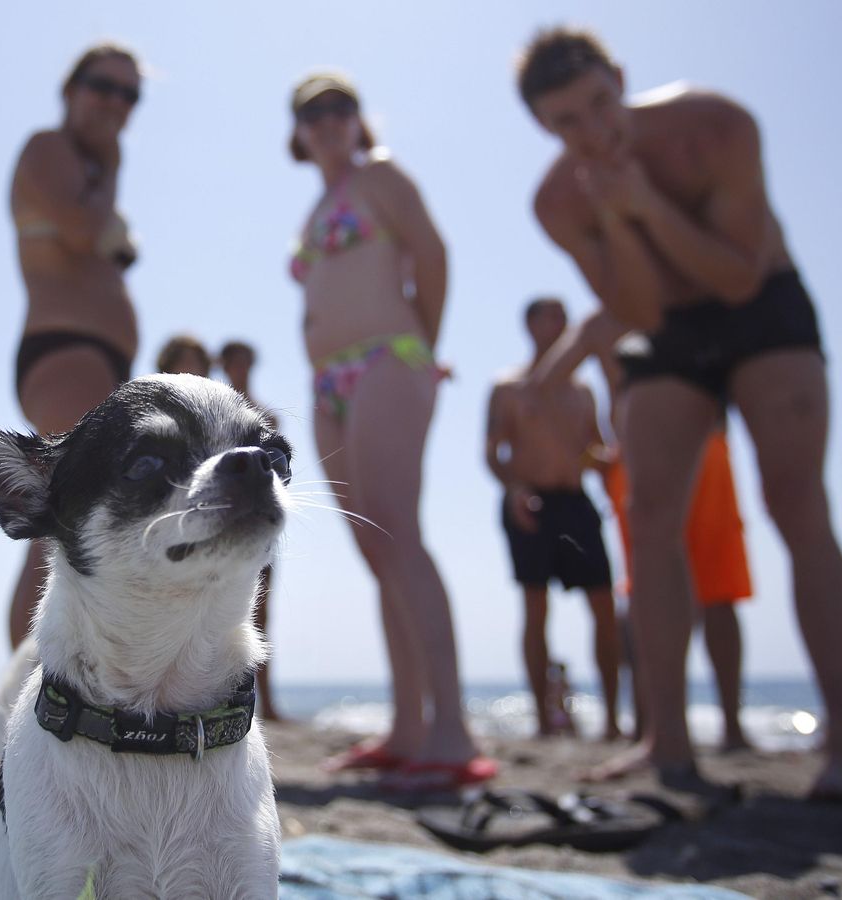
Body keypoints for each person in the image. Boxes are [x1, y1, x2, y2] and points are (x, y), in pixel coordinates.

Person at [517, 27, 842, 800]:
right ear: (543, 128)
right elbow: (641, 309)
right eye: (566, 123)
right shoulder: (557, 201)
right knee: (649, 521)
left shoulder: (717, 126)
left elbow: (738, 276)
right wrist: (619, 218)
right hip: (668, 328)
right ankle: (668, 743)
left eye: (599, 104)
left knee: (796, 503)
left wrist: (644, 202)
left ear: (620, 79)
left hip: (762, 307)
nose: (593, 131)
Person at [288, 71, 493, 788]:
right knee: (377, 550)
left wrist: (423, 347)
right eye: (312, 110)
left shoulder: (380, 175)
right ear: (297, 131)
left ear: (359, 118)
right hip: (330, 380)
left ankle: (453, 730)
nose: (327, 119)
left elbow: (432, 254)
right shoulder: (318, 205)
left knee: (400, 532)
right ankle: (408, 727)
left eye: (340, 106)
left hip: (388, 359)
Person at [530, 310, 753, 752]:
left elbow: (544, 387)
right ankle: (666, 727)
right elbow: (543, 387)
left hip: (684, 452)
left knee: (705, 591)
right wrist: (591, 453)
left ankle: (695, 727)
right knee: (665, 590)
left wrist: (591, 453)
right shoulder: (618, 317)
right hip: (652, 455)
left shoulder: (618, 317)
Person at [6, 42, 143, 649]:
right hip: (65, 351)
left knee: (86, 521)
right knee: (62, 521)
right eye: (103, 86)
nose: (116, 102)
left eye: (130, 94)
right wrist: (112, 165)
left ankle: (52, 678)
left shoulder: (85, 169)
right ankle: (31, 685)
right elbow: (84, 231)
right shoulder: (47, 148)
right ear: (70, 89)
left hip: (97, 358)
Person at [485, 298, 620, 741]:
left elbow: (598, 450)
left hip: (576, 502)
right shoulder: (509, 387)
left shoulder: (582, 391)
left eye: (564, 317)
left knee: (604, 606)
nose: (560, 325)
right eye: (551, 316)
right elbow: (493, 452)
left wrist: (610, 462)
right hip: (529, 503)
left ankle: (613, 720)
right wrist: (515, 489)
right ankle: (543, 720)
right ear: (529, 324)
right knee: (535, 607)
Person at [220, 340, 283, 722]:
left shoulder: (265, 416)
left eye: (246, 361)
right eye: (235, 361)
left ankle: (267, 704)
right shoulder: (212, 412)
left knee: (260, 614)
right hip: (219, 525)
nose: (241, 367)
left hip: (260, 527)